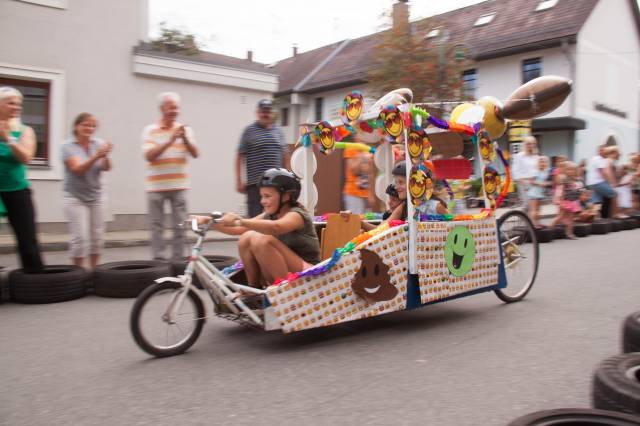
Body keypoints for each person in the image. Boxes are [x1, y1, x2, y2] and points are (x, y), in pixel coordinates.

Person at [195, 168, 319, 288]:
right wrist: (208, 220)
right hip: (286, 272)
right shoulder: (270, 215)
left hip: (310, 273)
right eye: (262, 196)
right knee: (246, 237)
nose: (262, 201)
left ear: (286, 196)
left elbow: (276, 227)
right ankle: (254, 289)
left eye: (267, 196)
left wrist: (240, 221)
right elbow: (237, 230)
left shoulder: (296, 215)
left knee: (262, 240)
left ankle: (284, 291)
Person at [142, 92, 198, 261]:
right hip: (155, 187)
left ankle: (177, 261)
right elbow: (149, 156)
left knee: (180, 226)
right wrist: (169, 141)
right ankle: (158, 261)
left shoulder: (186, 130)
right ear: (162, 109)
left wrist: (185, 139)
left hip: (179, 186)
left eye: (176, 108)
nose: (175, 111)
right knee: (156, 227)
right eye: (171, 108)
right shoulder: (150, 130)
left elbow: (195, 153)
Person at [0, 86, 43, 273]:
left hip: (17, 191)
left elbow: (26, 157)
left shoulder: (25, 131)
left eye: (19, 104)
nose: (16, 107)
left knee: (27, 239)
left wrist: (8, 138)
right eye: (11, 103)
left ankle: (35, 280)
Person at [62, 113, 112, 268]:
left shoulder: (98, 143)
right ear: (76, 126)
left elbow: (106, 167)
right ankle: (78, 273)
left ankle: (94, 271)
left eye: (92, 126)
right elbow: (77, 169)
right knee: (80, 238)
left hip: (96, 195)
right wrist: (96, 156)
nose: (89, 128)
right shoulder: (67, 146)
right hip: (75, 197)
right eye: (85, 125)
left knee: (97, 237)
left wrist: (106, 156)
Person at [236, 99, 289, 218]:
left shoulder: (279, 131)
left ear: (272, 113)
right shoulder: (249, 130)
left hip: (275, 184)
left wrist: (286, 178)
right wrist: (239, 180)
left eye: (268, 111)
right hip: (255, 185)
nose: (265, 114)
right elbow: (239, 155)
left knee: (274, 218)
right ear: (257, 113)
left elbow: (285, 155)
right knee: (255, 218)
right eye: (263, 111)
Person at [586, 144, 618, 219]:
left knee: (596, 201)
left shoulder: (597, 159)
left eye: (604, 150)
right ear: (598, 151)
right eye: (601, 150)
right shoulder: (599, 159)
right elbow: (603, 172)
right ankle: (615, 214)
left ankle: (591, 217)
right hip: (598, 182)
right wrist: (611, 183)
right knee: (614, 194)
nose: (603, 152)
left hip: (593, 183)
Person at [552, 161, 583, 239]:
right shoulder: (564, 179)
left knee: (571, 219)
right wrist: (561, 201)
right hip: (565, 201)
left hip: (573, 202)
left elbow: (578, 191)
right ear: (565, 170)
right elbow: (561, 191)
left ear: (575, 171)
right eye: (568, 169)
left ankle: (569, 233)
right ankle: (550, 228)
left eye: (572, 169)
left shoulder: (576, 180)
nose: (570, 171)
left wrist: (581, 194)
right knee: (560, 217)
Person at [342, 147, 375, 214]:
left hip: (366, 194)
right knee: (356, 218)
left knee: (366, 218)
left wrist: (371, 194)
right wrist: (361, 157)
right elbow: (353, 170)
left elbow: (371, 173)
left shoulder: (368, 150)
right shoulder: (350, 149)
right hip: (353, 193)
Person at [512, 136, 540, 210]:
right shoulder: (519, 156)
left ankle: (529, 216)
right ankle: (524, 216)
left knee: (535, 204)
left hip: (534, 182)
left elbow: (538, 170)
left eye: (533, 143)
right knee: (527, 204)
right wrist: (521, 181)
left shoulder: (536, 156)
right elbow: (515, 170)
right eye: (528, 143)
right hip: (524, 182)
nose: (531, 145)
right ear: (524, 144)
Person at [527, 156, 550, 229]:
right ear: (538, 163)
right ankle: (533, 224)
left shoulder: (545, 172)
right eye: (540, 162)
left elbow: (545, 181)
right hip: (533, 193)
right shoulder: (535, 171)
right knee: (534, 210)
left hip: (540, 193)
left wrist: (546, 184)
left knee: (538, 210)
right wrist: (540, 184)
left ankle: (538, 223)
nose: (542, 163)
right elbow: (531, 181)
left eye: (544, 162)